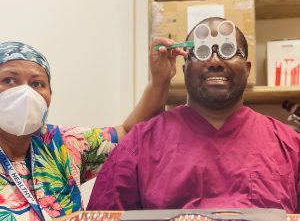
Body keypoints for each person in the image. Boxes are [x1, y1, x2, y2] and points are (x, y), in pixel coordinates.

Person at [87, 17, 300, 214]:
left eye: (227, 50)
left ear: (247, 69)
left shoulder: (289, 146)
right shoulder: (140, 144)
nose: (216, 61)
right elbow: (105, 215)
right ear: (184, 68)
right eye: (202, 52)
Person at [0, 40, 187, 221]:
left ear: (50, 96)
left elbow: (131, 133)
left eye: (36, 84)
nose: (25, 93)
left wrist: (159, 81)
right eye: (9, 80)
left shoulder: (63, 143)